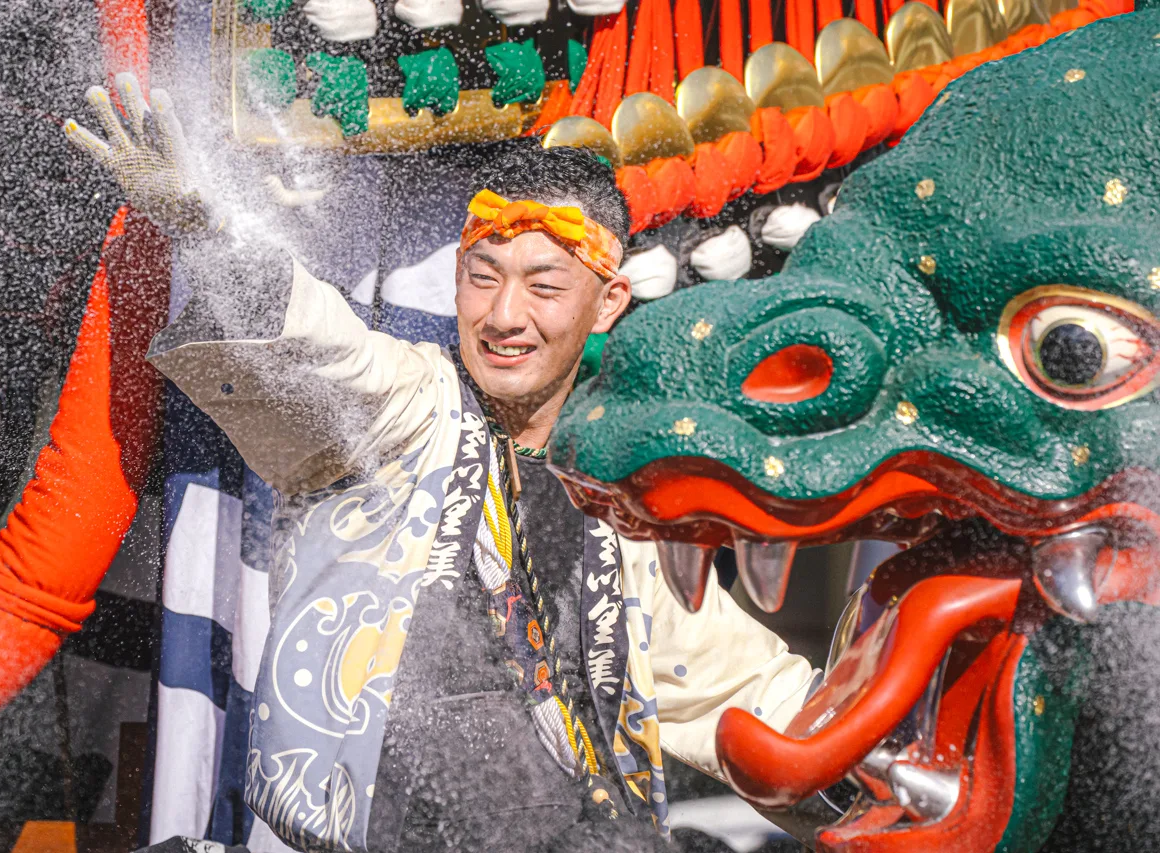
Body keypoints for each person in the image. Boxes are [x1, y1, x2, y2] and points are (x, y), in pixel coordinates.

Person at [65, 73, 818, 853]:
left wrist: (886, 766)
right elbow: (322, 346)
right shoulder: (408, 412)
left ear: (610, 301)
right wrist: (207, 232)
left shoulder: (617, 507)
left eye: (543, 285)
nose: (503, 315)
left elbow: (750, 695)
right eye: (481, 276)